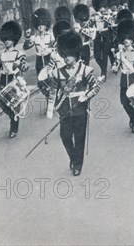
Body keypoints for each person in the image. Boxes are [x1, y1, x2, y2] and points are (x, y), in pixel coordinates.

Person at [47, 30, 100, 176]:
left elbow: (96, 87)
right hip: (64, 109)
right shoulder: (58, 72)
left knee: (79, 138)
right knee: (65, 137)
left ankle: (77, 165)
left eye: (69, 55)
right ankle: (73, 157)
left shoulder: (84, 70)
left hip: (80, 109)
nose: (66, 58)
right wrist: (50, 108)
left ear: (75, 54)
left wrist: (86, 96)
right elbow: (53, 90)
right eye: (64, 55)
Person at [0, 21, 28, 138]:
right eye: (5, 39)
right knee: (3, 104)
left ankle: (14, 128)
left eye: (9, 39)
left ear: (14, 39)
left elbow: (25, 67)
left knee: (14, 105)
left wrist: (19, 65)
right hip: (3, 80)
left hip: (14, 80)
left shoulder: (19, 54)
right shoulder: (0, 54)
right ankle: (13, 117)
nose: (7, 41)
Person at [23, 8, 54, 76]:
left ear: (46, 25)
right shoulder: (34, 38)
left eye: (42, 24)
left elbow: (54, 47)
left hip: (48, 58)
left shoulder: (50, 36)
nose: (40, 26)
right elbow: (26, 47)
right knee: (40, 77)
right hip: (39, 60)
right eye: (39, 25)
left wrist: (49, 50)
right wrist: (27, 37)